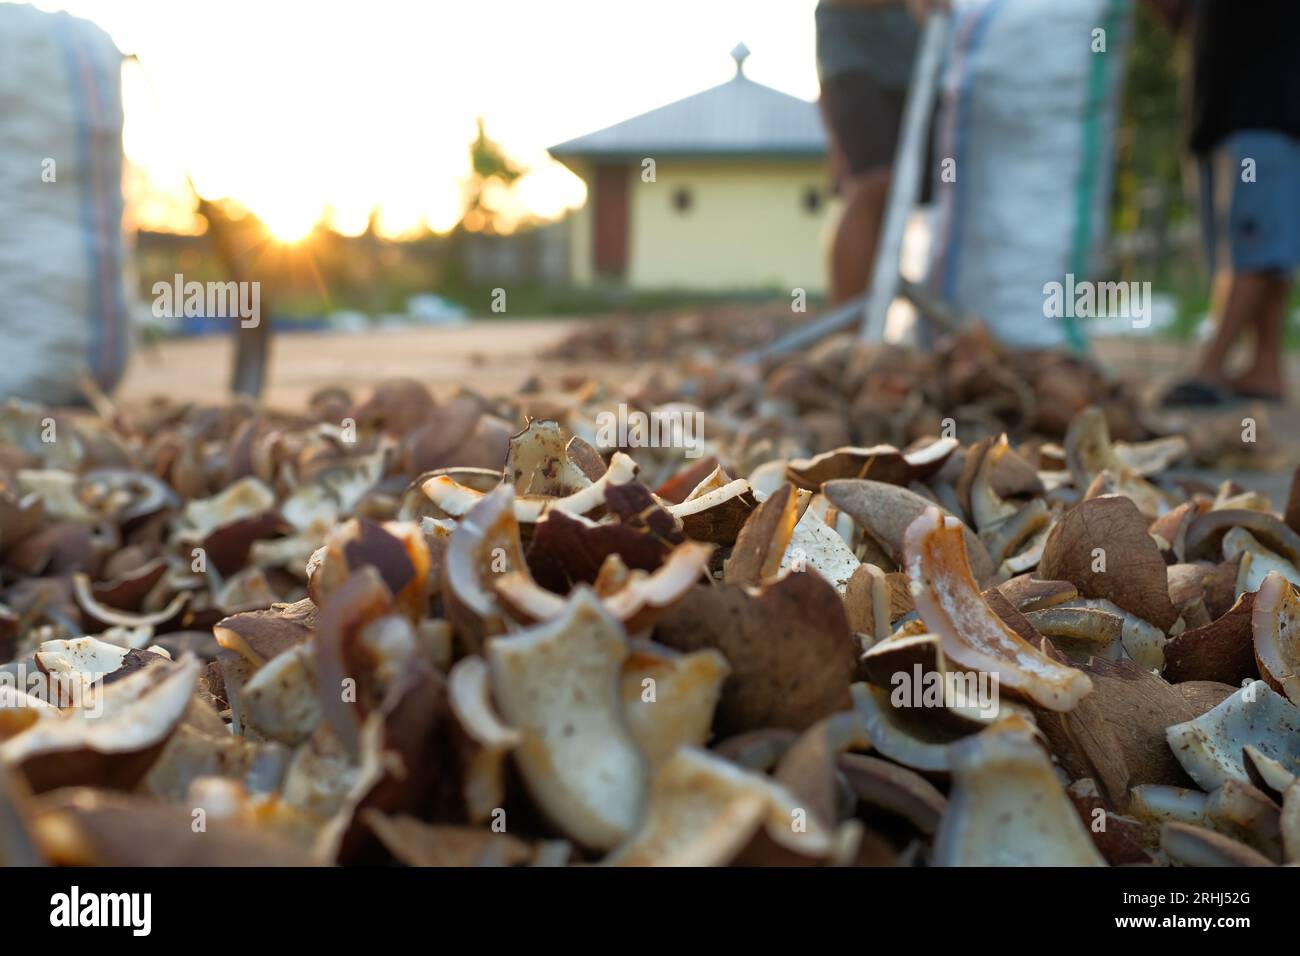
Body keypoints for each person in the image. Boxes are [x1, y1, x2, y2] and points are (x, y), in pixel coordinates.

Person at [1160, 0, 1300, 406]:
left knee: (1253, 246)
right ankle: (1265, 368)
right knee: (1252, 246)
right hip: (1216, 111)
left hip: (1266, 111)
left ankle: (1211, 367)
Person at [814, 0, 941, 305]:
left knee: (919, 192)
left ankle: (890, 312)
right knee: (873, 181)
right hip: (853, 49)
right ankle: (849, 327)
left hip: (918, 51)